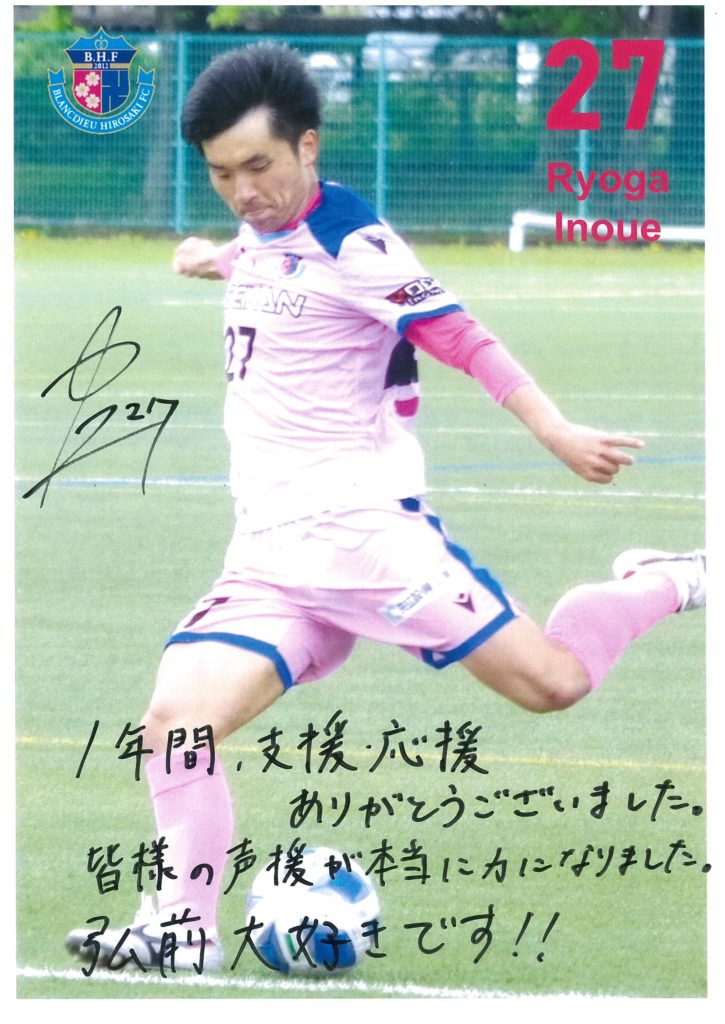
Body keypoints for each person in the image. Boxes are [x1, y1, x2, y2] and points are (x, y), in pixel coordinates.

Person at [65, 42, 705, 973]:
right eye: (221, 174)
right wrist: (217, 257)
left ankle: (657, 580)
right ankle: (182, 928)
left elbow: (463, 339)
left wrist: (557, 430)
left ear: (307, 146)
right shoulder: (263, 231)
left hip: (370, 543)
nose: (243, 191)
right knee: (175, 727)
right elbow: (266, 254)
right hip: (268, 558)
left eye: (258, 166)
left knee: (555, 684)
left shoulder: (355, 244)